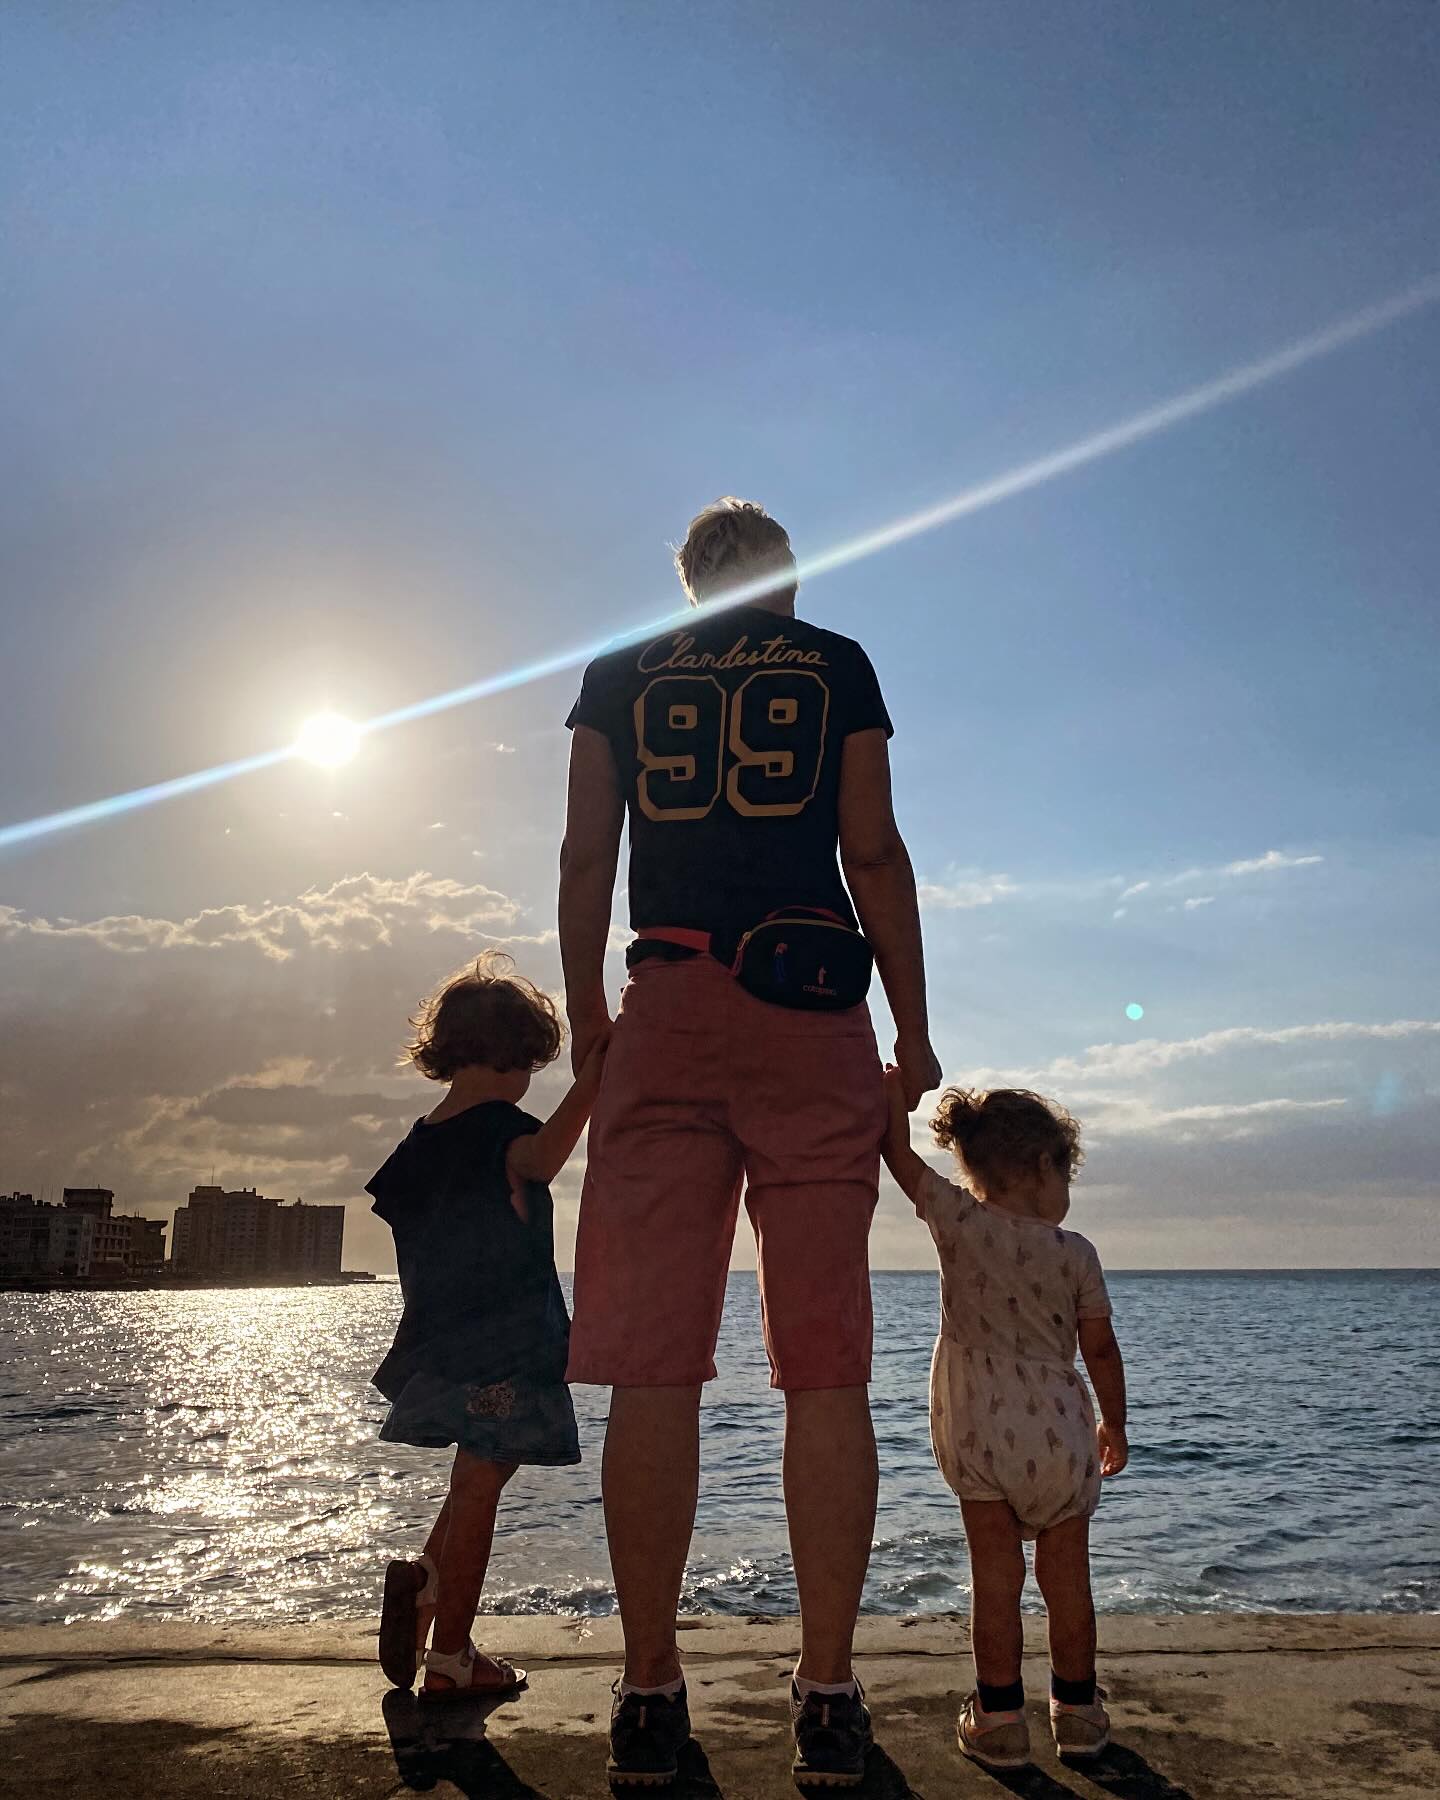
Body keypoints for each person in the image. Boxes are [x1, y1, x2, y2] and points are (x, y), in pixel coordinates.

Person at [558, 497, 941, 1787]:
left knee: (652, 1372)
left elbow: (584, 857)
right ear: (781, 577)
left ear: (687, 585)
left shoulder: (618, 678)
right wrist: (915, 1031)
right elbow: (871, 849)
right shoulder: (836, 664)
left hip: (664, 1006)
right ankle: (828, 1696)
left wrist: (592, 1016)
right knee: (823, 1366)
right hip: (811, 1011)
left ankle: (650, 1694)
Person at [369, 953, 605, 1698]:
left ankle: (426, 1589)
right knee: (480, 1483)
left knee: (484, 1470)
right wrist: (592, 1086)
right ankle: (451, 1658)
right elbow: (541, 1158)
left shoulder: (421, 1140)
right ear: (515, 1056)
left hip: (434, 1340)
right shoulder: (503, 1131)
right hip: (502, 1342)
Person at [880, 1071, 1128, 1770]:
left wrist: (887, 1102)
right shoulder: (1076, 1253)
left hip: (981, 1431)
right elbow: (1100, 1348)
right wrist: (1116, 1424)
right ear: (1044, 1165)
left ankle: (999, 1720)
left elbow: (897, 1159)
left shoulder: (958, 1221)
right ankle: (1077, 1713)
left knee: (996, 1580)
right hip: (1059, 1436)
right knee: (1066, 1580)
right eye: (1066, 1175)